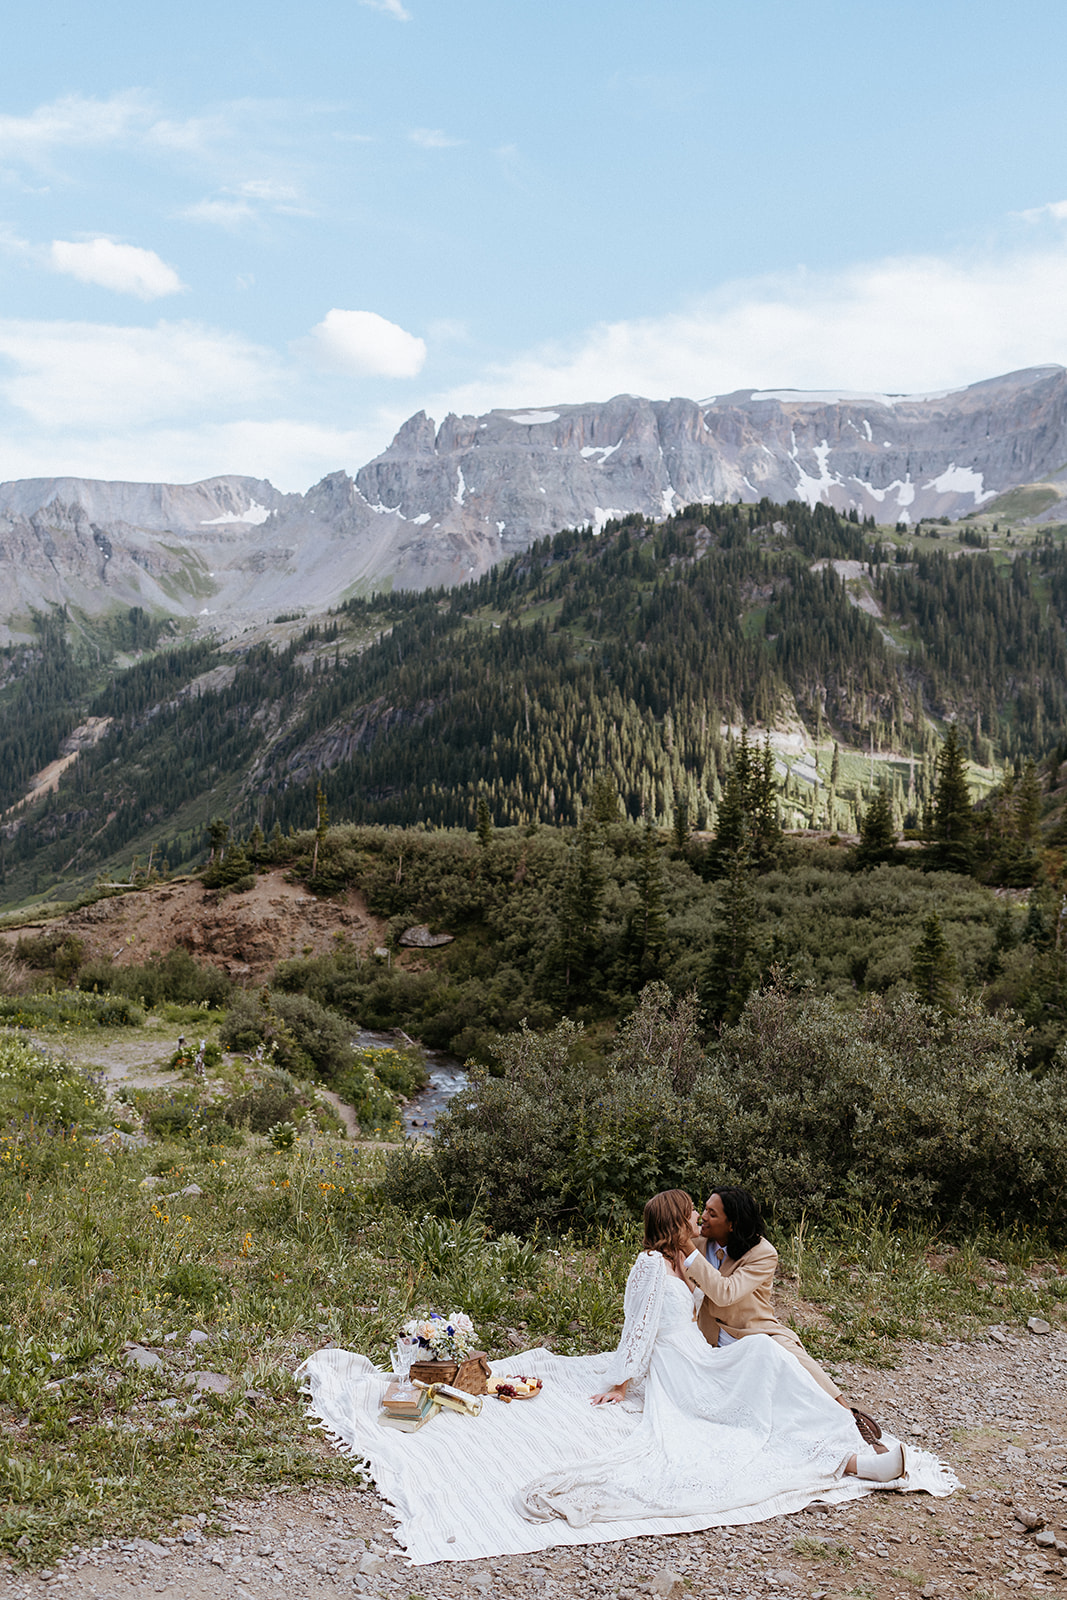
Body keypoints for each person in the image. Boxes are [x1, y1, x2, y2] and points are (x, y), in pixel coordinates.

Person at [296, 1189, 955, 1565]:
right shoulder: (649, 1267)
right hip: (671, 1369)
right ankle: (846, 1461)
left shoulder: (689, 1261)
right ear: (671, 1226)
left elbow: (718, 1302)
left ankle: (845, 1444)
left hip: (699, 1357)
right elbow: (638, 1330)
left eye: (705, 1214)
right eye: (693, 1216)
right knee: (731, 1407)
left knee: (765, 1357)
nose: (701, 1220)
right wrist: (622, 1381)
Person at [686, 1186, 882, 1443]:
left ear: (731, 1224)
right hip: (708, 1333)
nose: (703, 1217)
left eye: (712, 1213)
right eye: (705, 1210)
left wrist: (687, 1251)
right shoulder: (697, 1242)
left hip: (751, 1327)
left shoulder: (762, 1253)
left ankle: (848, 1415)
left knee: (792, 1357)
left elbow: (726, 1293)